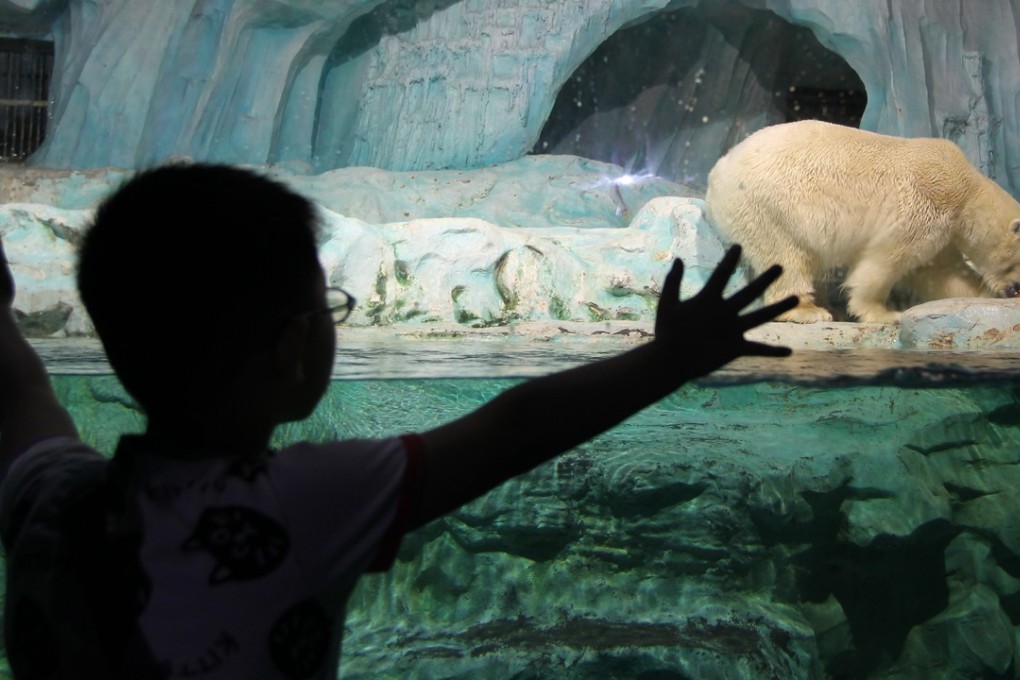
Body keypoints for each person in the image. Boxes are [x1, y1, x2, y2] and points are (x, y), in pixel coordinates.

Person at [0, 163, 798, 679]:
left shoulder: (53, 497)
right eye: (329, 307)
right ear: (293, 346)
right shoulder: (303, 505)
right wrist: (672, 359)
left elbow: (16, 386)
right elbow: (517, 428)